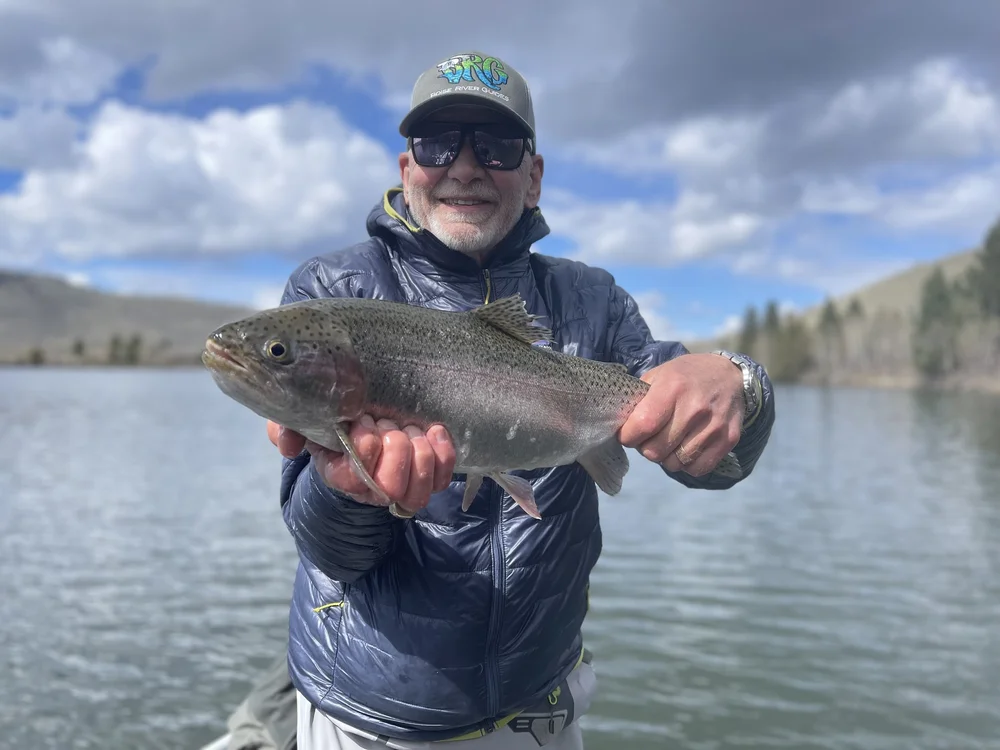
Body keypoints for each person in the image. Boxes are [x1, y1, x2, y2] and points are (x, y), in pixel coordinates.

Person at [222, 50, 775, 750]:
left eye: (497, 145)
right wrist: (350, 493)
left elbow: (713, 460)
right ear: (406, 169)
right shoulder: (332, 291)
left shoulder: (592, 302)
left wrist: (737, 382)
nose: (464, 164)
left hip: (540, 708)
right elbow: (326, 545)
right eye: (436, 143)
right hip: (370, 721)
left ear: (534, 176)